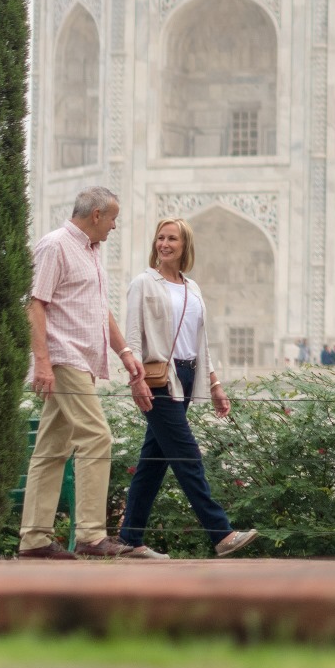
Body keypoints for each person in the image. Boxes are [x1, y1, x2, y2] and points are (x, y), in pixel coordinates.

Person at [118, 217, 260, 559]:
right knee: (187, 455)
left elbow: (201, 341)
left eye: (172, 239)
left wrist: (214, 383)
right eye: (160, 238)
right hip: (158, 380)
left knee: (153, 461)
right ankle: (221, 533)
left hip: (186, 375)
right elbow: (133, 335)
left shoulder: (191, 288)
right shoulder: (143, 283)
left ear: (185, 246)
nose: (164, 244)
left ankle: (128, 540)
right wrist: (135, 379)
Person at [21, 185, 147, 559]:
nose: (113, 227)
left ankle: (34, 540)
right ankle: (92, 536)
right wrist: (42, 361)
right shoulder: (56, 245)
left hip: (82, 360)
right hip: (64, 358)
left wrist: (124, 352)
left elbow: (97, 310)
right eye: (112, 219)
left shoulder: (90, 253)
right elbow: (34, 305)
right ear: (96, 215)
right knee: (96, 436)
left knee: (51, 449)